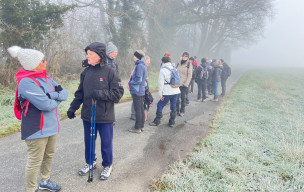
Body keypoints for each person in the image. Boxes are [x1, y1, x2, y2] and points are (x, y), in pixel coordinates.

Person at [8, 46, 68, 192]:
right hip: (36, 129)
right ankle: (31, 188)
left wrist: (52, 95)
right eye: (42, 60)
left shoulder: (46, 77)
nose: (46, 62)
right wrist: (55, 97)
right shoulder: (26, 82)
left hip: (52, 125)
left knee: (49, 155)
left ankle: (45, 181)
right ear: (33, 64)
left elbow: (64, 93)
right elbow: (46, 105)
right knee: (35, 161)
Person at [67, 42, 124, 180]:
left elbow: (118, 93)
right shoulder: (85, 72)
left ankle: (108, 165)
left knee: (106, 142)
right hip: (88, 114)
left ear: (99, 55)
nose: (88, 56)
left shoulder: (110, 72)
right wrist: (73, 107)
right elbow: (80, 93)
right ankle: (90, 162)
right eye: (87, 54)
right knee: (89, 141)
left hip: (105, 115)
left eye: (90, 54)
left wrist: (100, 94)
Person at [149, 54, 180, 127]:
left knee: (160, 104)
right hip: (176, 90)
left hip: (167, 91)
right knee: (173, 106)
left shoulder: (163, 70)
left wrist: (160, 94)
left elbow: (160, 83)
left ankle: (157, 121)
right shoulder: (174, 68)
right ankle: (172, 122)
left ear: (162, 62)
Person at [128, 50, 147, 133]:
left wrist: (131, 82)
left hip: (137, 90)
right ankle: (141, 126)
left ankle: (137, 127)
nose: (133, 57)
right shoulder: (143, 65)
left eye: (134, 56)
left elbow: (138, 79)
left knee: (138, 109)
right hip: (141, 90)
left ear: (138, 57)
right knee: (141, 108)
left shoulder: (139, 65)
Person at [130, 56, 151, 121]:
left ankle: (140, 120)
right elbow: (138, 79)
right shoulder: (140, 67)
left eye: (149, 62)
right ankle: (134, 116)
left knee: (139, 104)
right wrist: (131, 83)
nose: (148, 63)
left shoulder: (142, 66)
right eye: (147, 62)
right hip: (137, 88)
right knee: (137, 103)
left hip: (140, 88)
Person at [176, 52, 193, 117]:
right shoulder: (179, 63)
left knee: (183, 98)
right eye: (183, 55)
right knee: (176, 98)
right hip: (177, 84)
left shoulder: (189, 64)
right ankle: (176, 110)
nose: (184, 57)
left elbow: (190, 75)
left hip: (184, 84)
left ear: (188, 57)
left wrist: (186, 84)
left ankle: (182, 111)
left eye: (186, 56)